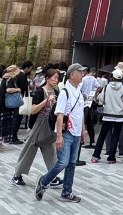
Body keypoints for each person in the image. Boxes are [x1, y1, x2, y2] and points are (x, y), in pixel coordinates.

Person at [35, 63, 87, 203]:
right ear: (72, 74)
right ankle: (44, 181)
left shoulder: (79, 91)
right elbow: (60, 115)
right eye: (80, 72)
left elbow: (80, 113)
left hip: (76, 133)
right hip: (66, 132)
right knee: (63, 162)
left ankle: (67, 191)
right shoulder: (65, 92)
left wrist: (83, 130)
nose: (82, 74)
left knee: (72, 163)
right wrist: (58, 136)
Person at [12, 68, 60, 187]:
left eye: (57, 78)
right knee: (30, 148)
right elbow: (33, 110)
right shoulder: (40, 91)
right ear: (47, 79)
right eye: (54, 78)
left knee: (50, 150)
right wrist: (47, 100)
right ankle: (17, 175)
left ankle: (52, 176)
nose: (56, 80)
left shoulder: (56, 92)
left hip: (49, 124)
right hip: (38, 124)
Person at [90, 68, 123, 164]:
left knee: (102, 135)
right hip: (119, 116)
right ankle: (111, 158)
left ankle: (96, 156)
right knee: (115, 136)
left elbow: (101, 99)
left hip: (107, 115)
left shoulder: (106, 87)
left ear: (112, 77)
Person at [79, 67, 100, 148]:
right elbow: (99, 87)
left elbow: (79, 88)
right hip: (90, 101)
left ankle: (82, 140)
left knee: (83, 121)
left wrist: (83, 94)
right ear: (94, 72)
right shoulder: (94, 79)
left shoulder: (83, 79)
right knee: (89, 121)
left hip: (83, 101)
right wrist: (94, 93)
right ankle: (91, 138)